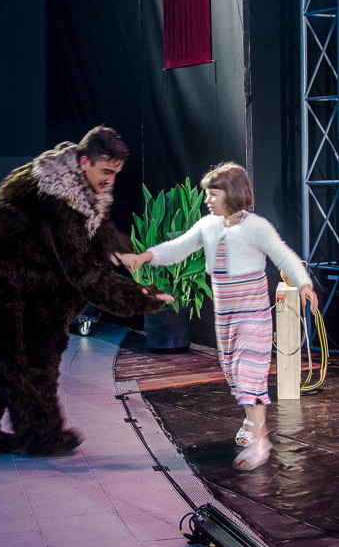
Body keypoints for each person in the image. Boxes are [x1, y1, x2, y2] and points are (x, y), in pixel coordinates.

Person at [0, 126, 173, 456]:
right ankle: (42, 435)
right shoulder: (59, 195)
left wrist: (118, 248)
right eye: (106, 172)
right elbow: (82, 272)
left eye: (116, 173)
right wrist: (140, 298)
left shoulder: (75, 181)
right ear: (84, 162)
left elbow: (93, 229)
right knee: (23, 357)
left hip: (22, 273)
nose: (111, 180)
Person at [121, 162, 318, 471]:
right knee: (234, 375)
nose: (207, 200)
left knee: (246, 373)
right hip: (225, 316)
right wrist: (144, 257)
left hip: (253, 315)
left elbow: (284, 256)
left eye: (213, 194)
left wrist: (304, 283)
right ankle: (252, 421)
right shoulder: (208, 226)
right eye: (207, 194)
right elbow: (178, 248)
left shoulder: (257, 227)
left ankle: (260, 442)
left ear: (232, 193)